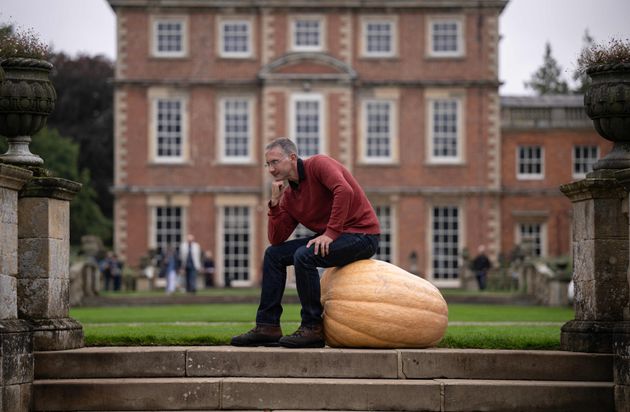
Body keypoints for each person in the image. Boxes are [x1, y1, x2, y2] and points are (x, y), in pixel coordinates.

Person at [231, 137, 380, 348]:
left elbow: (344, 190)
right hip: (337, 236)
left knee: (304, 255)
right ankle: (267, 326)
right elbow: (277, 238)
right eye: (268, 164)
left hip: (363, 236)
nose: (271, 169)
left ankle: (312, 327)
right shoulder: (290, 195)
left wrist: (330, 233)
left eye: (275, 162)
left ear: (292, 157)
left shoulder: (319, 164)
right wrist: (275, 204)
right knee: (274, 255)